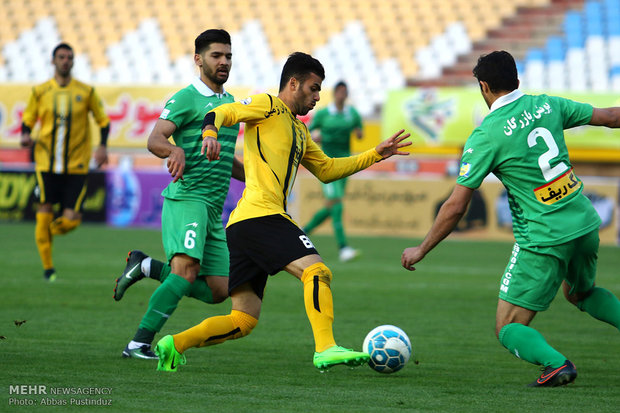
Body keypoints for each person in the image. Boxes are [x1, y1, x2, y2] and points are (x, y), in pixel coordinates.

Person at [153, 52, 411, 372]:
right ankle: (325, 347)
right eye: (314, 89)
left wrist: (375, 154)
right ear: (293, 83)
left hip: (243, 225)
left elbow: (327, 169)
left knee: (243, 319)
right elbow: (222, 112)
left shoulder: (300, 130)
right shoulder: (267, 105)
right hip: (262, 215)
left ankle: (174, 344)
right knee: (317, 272)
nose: (317, 97)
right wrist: (209, 132)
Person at [401, 51, 620, 387]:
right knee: (580, 293)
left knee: (507, 326)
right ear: (517, 80)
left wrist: (422, 248)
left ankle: (556, 365)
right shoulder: (548, 104)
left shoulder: (487, 134)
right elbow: (611, 116)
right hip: (585, 222)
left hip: (544, 236)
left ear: (484, 86)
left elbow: (456, 206)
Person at [112, 29, 244, 360]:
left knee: (219, 289)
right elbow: (154, 139)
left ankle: (145, 266)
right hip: (189, 199)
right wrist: (174, 150)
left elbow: (225, 157)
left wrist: (261, 178)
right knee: (185, 271)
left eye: (228, 56)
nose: (224, 62)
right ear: (198, 59)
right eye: (216, 55)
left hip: (214, 209)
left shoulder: (229, 104)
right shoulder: (186, 98)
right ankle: (139, 343)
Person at [20, 43, 110, 282]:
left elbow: (103, 120)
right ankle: (48, 269)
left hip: (76, 165)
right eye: (61, 57)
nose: (65, 61)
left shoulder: (86, 91)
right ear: (53, 61)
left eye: (69, 57)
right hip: (46, 164)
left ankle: (46, 232)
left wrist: (102, 146)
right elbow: (28, 118)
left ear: (73, 61)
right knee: (44, 210)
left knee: (71, 221)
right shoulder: (40, 91)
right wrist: (25, 134)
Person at [303, 81, 363, 262]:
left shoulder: (352, 113)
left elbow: (360, 132)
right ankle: (343, 248)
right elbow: (306, 132)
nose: (342, 95)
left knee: (332, 206)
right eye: (340, 92)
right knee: (337, 203)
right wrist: (316, 137)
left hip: (344, 165)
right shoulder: (323, 114)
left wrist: (358, 132)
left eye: (345, 92)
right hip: (326, 165)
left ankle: (303, 232)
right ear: (335, 93)